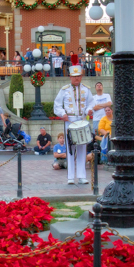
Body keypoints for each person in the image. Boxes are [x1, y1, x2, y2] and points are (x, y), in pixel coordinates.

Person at [53, 54, 95, 185]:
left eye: (78, 76)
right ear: (70, 77)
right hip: (69, 120)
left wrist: (89, 110)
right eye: (74, 76)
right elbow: (57, 105)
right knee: (70, 148)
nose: (77, 79)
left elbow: (91, 103)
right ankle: (70, 176)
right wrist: (62, 114)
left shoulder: (86, 90)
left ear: (81, 76)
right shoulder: (64, 90)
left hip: (82, 120)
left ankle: (82, 176)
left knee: (83, 148)